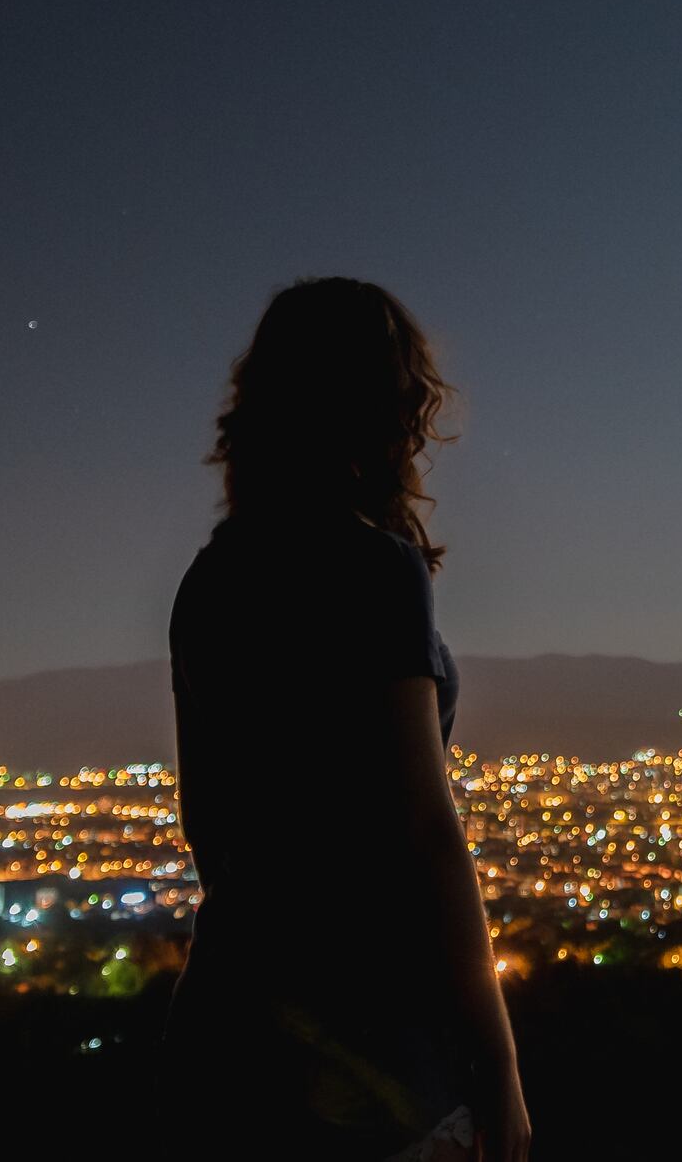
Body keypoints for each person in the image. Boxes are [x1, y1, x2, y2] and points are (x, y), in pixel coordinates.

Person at [160, 276, 530, 1159]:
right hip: (372, 1044)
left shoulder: (211, 580)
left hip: (230, 1028)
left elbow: (205, 822)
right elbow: (426, 832)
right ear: (385, 404)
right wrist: (500, 1068)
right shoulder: (373, 570)